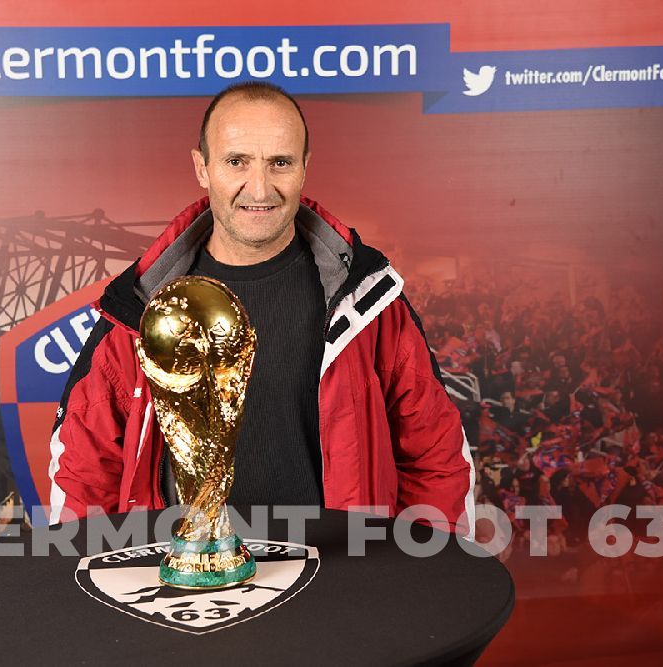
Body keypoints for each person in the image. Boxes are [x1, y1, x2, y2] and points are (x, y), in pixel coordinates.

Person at [48, 82, 475, 540]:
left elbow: (436, 455)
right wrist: (96, 590)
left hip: (340, 584)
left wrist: (427, 578)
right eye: (237, 162)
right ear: (202, 168)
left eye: (280, 163)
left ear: (305, 168)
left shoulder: (367, 301)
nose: (260, 187)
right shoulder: (137, 309)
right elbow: (84, 471)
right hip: (188, 594)